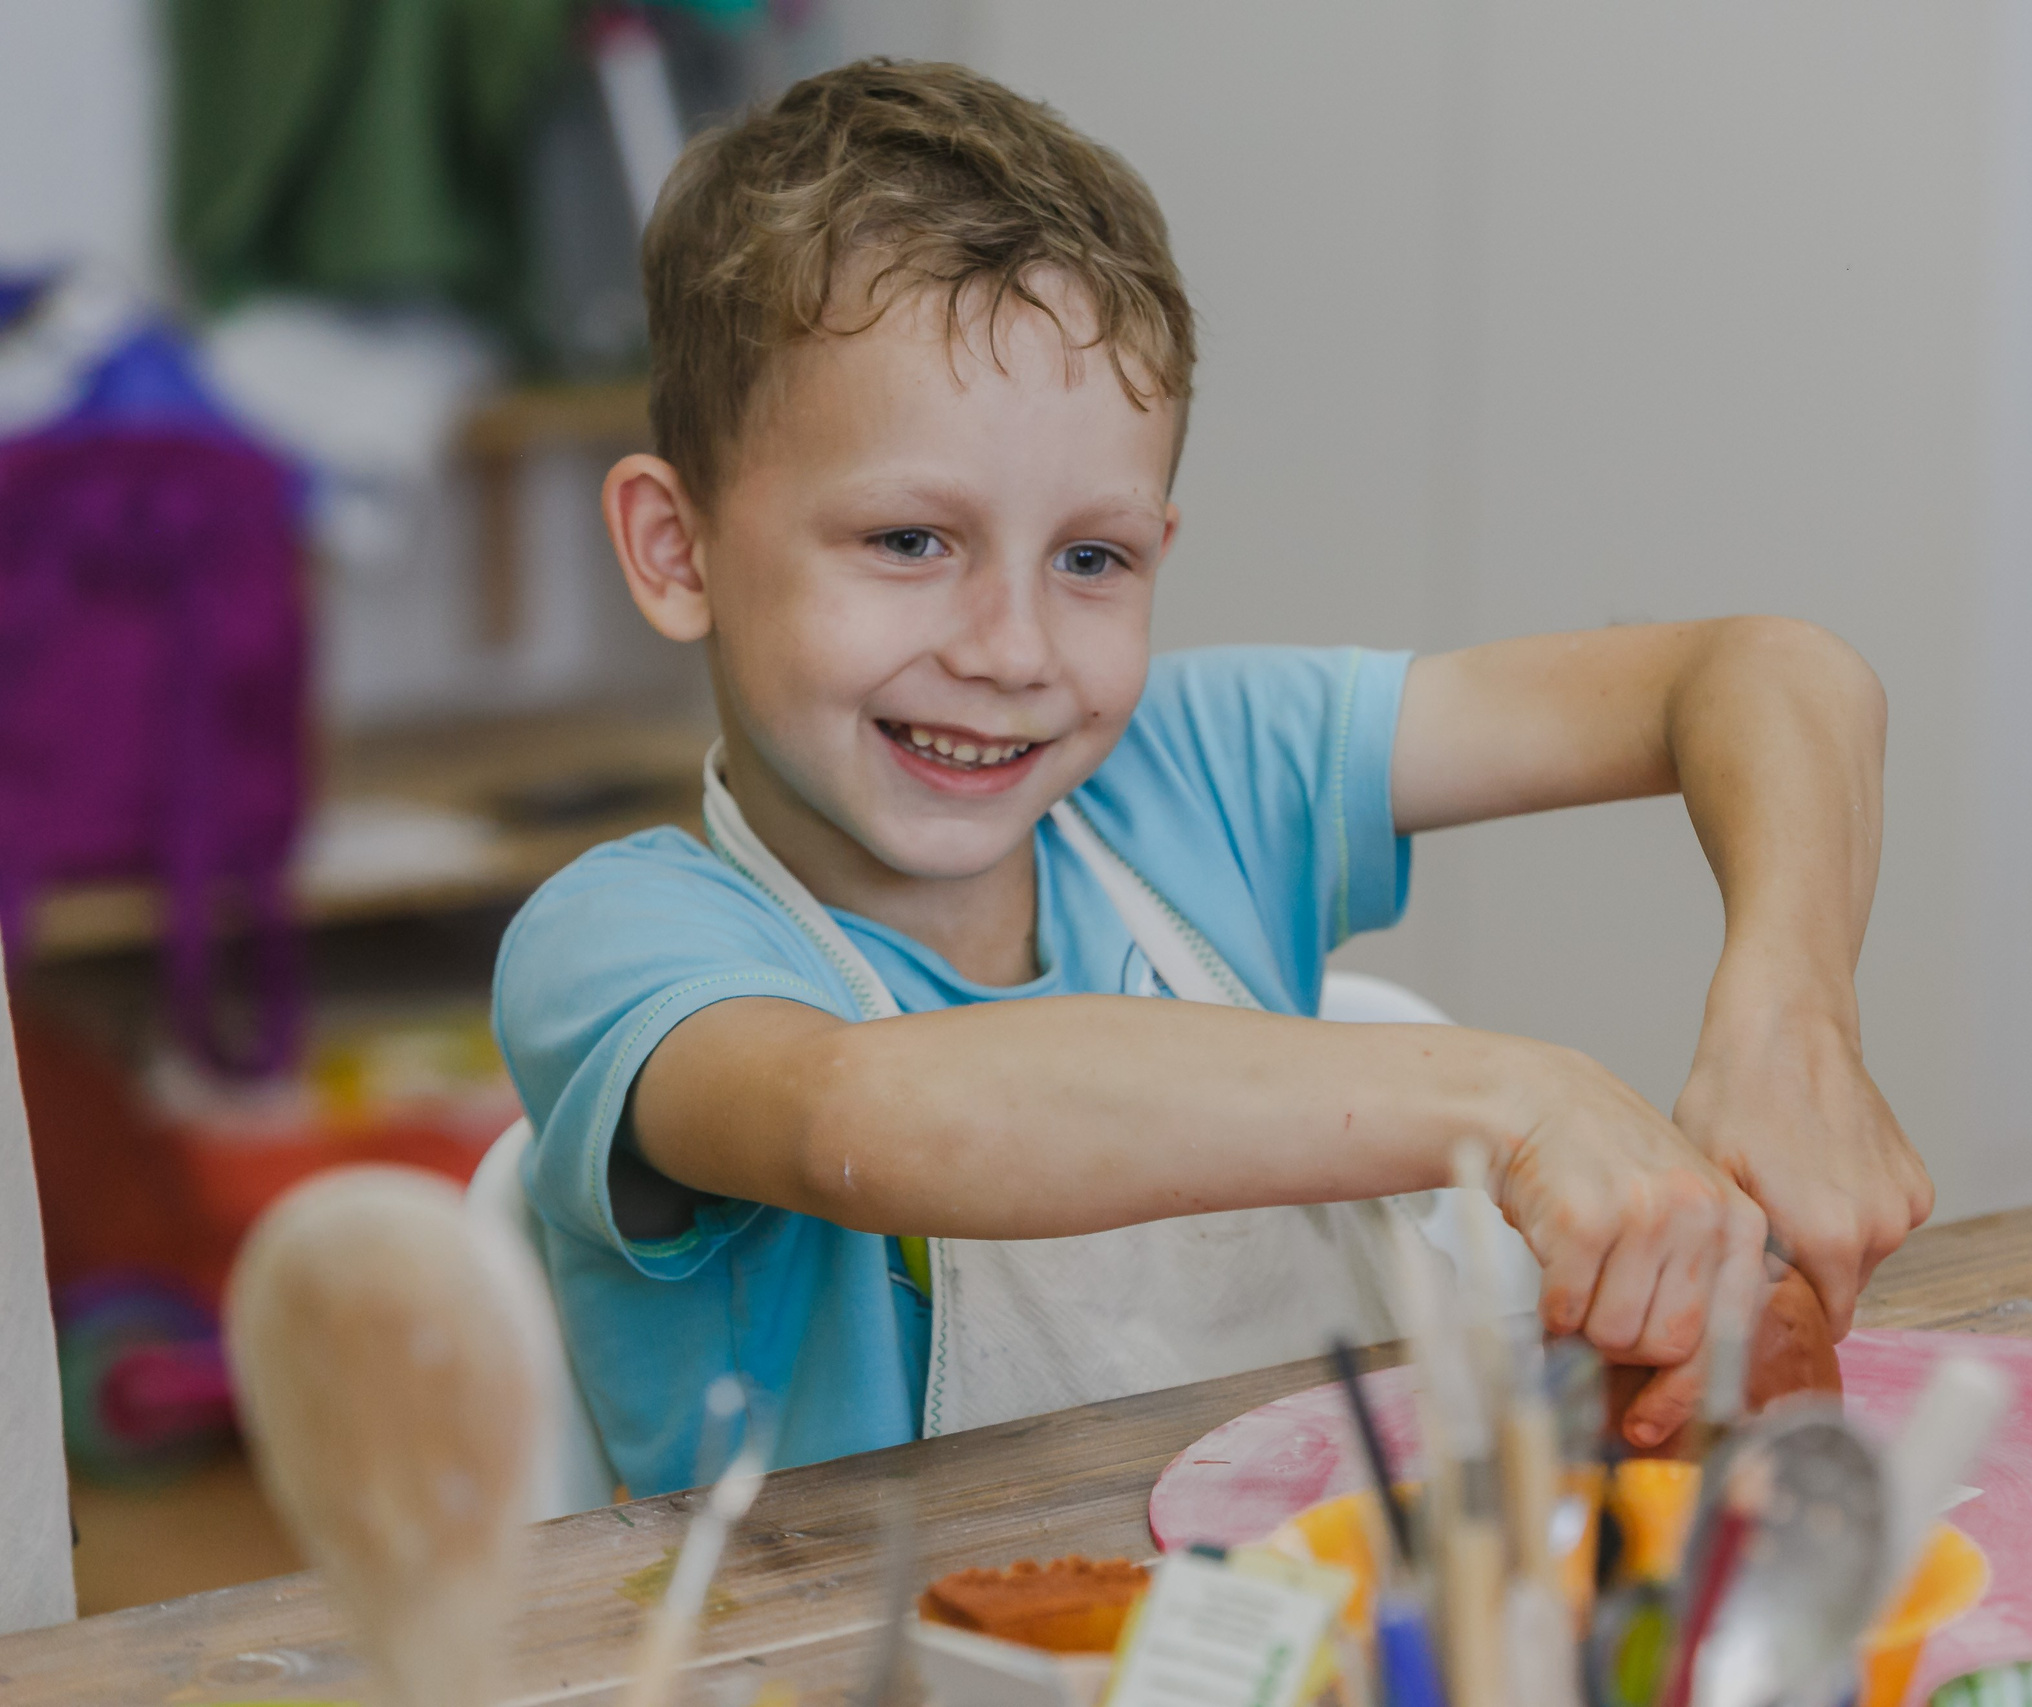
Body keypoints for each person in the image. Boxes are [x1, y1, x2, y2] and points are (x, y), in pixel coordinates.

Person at [495, 59, 1933, 1496]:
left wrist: (1790, 1013)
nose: (1013, 649)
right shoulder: (618, 944)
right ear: (677, 549)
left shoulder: (1205, 768)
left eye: (1090, 559)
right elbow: (868, 1119)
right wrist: (1509, 1099)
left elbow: (1771, 672)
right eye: (907, 541)